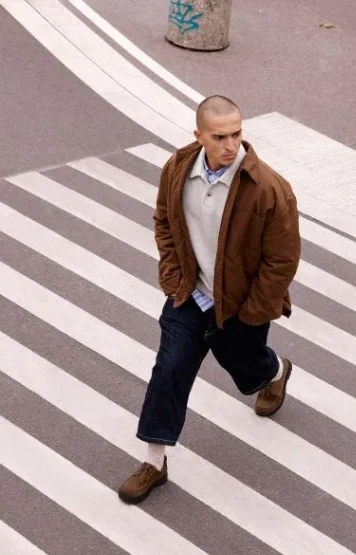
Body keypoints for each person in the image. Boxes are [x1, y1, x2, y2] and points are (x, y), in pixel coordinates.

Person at [118, 95, 301, 504]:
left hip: (240, 307)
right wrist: (172, 276)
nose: (231, 145)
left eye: (237, 133)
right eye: (220, 136)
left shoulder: (269, 189)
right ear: (199, 135)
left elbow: (282, 260)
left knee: (247, 368)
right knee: (169, 370)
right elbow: (164, 219)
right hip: (190, 297)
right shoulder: (178, 169)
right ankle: (154, 460)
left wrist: (253, 313)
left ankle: (273, 372)